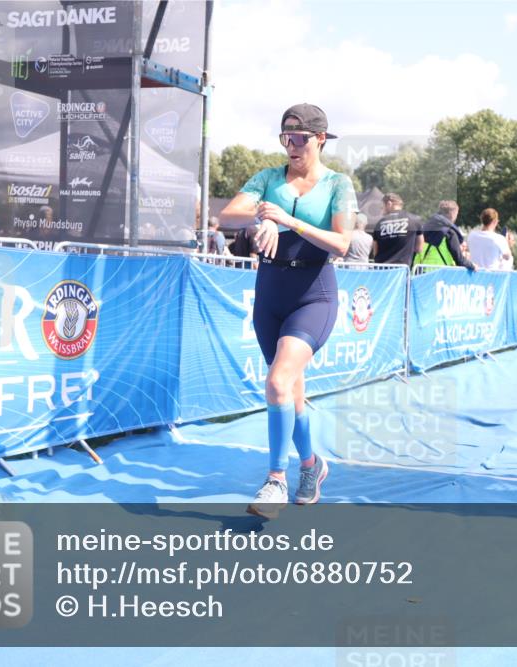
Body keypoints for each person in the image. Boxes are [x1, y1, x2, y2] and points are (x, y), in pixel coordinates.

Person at [219, 103, 356, 519]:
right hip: (270, 293)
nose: (291, 147)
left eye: (299, 139)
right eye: (285, 139)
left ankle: (276, 479)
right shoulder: (267, 178)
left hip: (313, 293)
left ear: (319, 140)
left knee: (278, 382)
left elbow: (342, 243)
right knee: (290, 392)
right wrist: (261, 217)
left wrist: (288, 223)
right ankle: (313, 466)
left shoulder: (338, 184)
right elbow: (226, 215)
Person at [414, 200, 475, 270]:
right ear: (453, 214)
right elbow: (459, 260)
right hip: (442, 274)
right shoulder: (450, 233)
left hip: (422, 273)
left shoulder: (423, 229)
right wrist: (472, 265)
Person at [371, 192, 424, 266]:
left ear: (389, 204)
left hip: (382, 270)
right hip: (401, 270)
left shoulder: (379, 224)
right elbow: (419, 248)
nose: (382, 210)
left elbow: (375, 252)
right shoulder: (414, 219)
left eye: (382, 207)